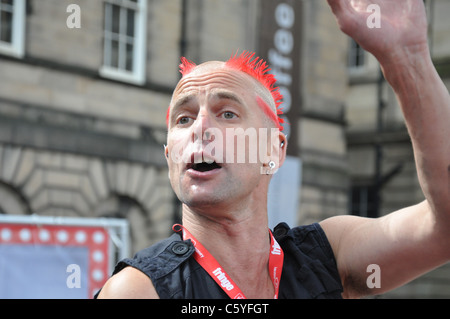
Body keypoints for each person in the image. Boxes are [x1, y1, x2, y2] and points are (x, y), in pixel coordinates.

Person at [97, 0, 450, 299]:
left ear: (274, 151)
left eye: (228, 113)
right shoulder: (138, 289)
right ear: (168, 155)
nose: (201, 128)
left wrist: (407, 58)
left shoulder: (329, 255)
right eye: (184, 119)